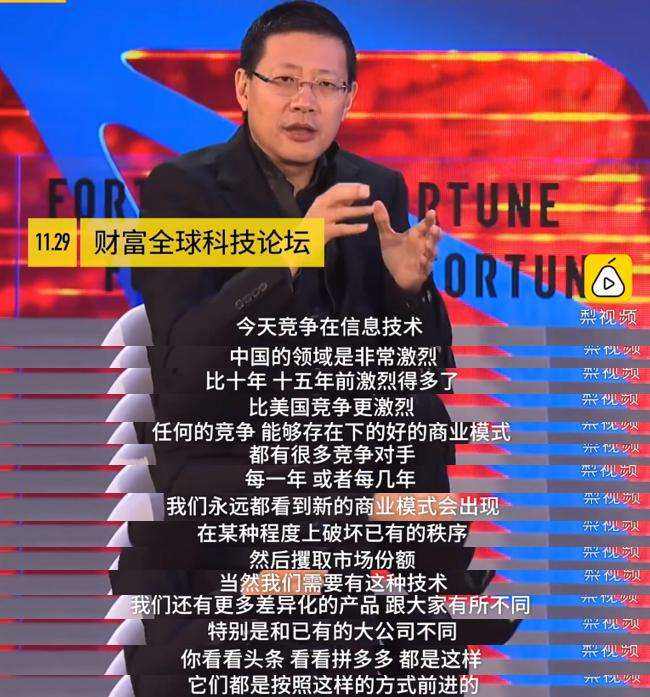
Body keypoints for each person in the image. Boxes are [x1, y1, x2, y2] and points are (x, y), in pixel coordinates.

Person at [112, 3, 511, 696]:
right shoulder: (181, 190)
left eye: (327, 85)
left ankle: (430, 584)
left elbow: (421, 367)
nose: (306, 101)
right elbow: (183, 365)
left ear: (350, 98)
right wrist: (290, 252)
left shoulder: (375, 188)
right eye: (287, 80)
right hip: (228, 444)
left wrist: (408, 290)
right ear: (244, 88)